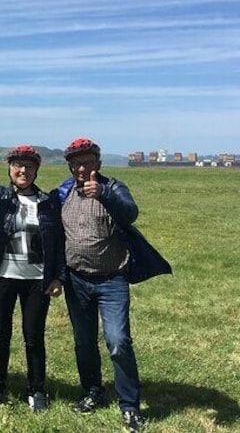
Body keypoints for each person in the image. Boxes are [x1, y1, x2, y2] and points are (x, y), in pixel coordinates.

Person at [54, 138, 171, 432]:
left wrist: (104, 193)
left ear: (99, 165)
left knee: (118, 342)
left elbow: (130, 212)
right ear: (70, 166)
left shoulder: (114, 187)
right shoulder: (63, 192)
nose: (82, 168)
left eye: (88, 162)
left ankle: (129, 406)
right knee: (83, 342)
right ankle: (92, 390)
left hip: (112, 280)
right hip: (76, 279)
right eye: (77, 163)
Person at [0, 145, 65, 412]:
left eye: (29, 167)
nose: (23, 171)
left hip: (37, 279)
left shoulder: (47, 202)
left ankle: (36, 390)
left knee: (34, 336)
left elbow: (57, 242)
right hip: (2, 275)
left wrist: (58, 277)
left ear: (36, 171)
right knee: (0, 334)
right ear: (10, 169)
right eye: (17, 166)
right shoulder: (0, 197)